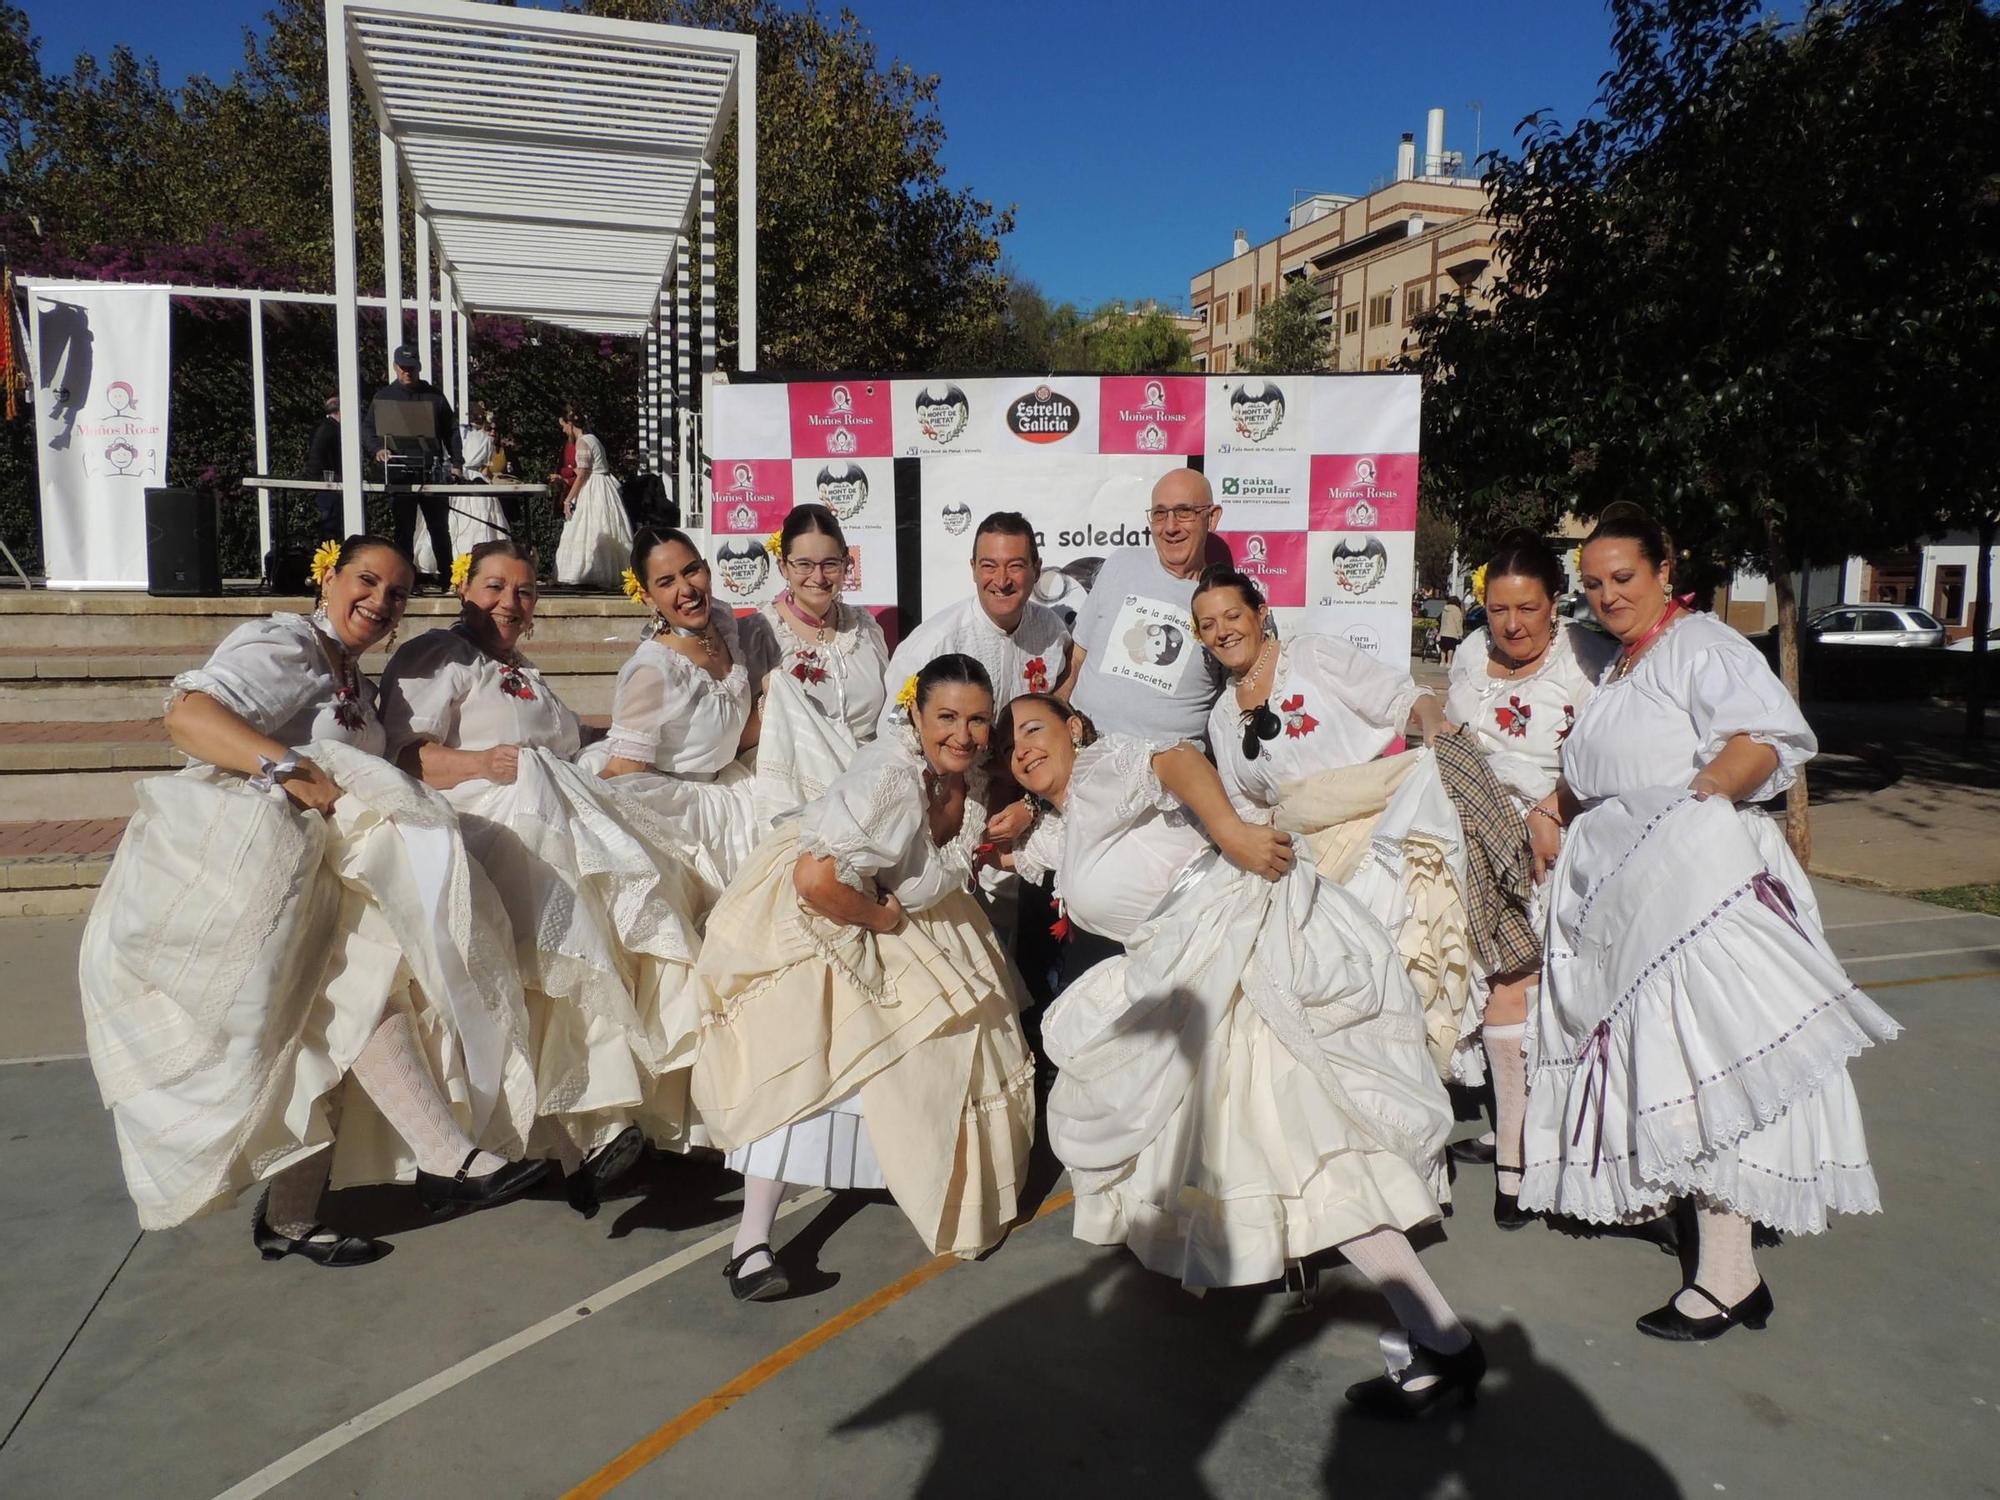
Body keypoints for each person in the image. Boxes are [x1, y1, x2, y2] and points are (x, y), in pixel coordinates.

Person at [999, 695, 1484, 1414]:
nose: (1023, 750)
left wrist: (1229, 831)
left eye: (1033, 729)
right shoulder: (1059, 829)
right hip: (1187, 967)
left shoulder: (1108, 765)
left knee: (1303, 1140)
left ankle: (1444, 1342)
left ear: (1073, 727)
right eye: (1008, 747)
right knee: (1275, 1145)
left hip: (1240, 940)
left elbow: (1176, 758)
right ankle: (1436, 1336)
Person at [78, 535, 546, 1265]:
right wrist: (288, 764)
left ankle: (295, 1216)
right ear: (326, 577)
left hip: (316, 869)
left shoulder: (354, 681)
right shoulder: (286, 643)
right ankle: (444, 1159)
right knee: (347, 1000)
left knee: (328, 1023)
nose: (379, 602)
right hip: (245, 862)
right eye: (366, 581)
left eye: (396, 594)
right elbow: (188, 716)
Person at [1522, 502, 1898, 1339]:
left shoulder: (1703, 646)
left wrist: (1700, 801)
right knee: (1670, 1073)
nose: (1608, 595)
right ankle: (1720, 1260)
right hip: (1632, 897)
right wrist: (1555, 810)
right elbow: (1604, 770)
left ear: (1666, 570)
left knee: (1710, 1077)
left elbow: (1761, 740)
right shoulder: (1623, 666)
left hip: (1700, 894)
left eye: (1623, 578)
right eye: (1593, 583)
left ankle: (1730, 1277)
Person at [687, 655, 1036, 1299]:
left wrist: (1023, 813)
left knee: (935, 1047)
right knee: (808, 1053)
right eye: (947, 718)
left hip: (900, 905)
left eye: (978, 720)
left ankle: (910, 1175)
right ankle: (750, 1245)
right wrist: (880, 920)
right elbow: (816, 880)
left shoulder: (970, 770)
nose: (963, 734)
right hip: (836, 907)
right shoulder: (888, 779)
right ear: (915, 716)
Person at [379, 539, 706, 1209]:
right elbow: (403, 756)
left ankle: (614, 1116)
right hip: (484, 820)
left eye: (524, 591)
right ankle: (593, 1126)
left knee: (645, 875)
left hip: (544, 811)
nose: (509, 601)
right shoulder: (437, 658)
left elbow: (565, 740)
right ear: (466, 589)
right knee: (565, 906)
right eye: (495, 587)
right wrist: (482, 765)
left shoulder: (520, 667)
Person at [1192, 565, 1474, 1079]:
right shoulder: (1220, 717)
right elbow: (1249, 811)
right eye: (1207, 625)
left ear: (1260, 613)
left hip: (1378, 838)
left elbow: (1400, 697)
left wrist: (1433, 725)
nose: (1223, 631)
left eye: (1233, 615)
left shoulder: (1311, 657)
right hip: (1309, 867)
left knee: (1399, 980)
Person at [1441, 531, 1618, 1226]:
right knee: (1498, 991)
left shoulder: (1589, 659)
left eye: (1528, 608)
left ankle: (1547, 1150)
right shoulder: (1465, 658)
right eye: (1498, 609)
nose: (1512, 625)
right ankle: (1514, 1148)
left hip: (1558, 849)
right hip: (1472, 847)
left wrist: (1555, 807)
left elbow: (1615, 757)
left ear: (1555, 604)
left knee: (1555, 998)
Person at [582, 526, 762, 913]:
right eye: (667, 582)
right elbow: (624, 769)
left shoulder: (723, 624)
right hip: (680, 808)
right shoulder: (653, 670)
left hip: (733, 788)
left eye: (691, 570)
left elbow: (725, 730)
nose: (687, 589)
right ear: (647, 596)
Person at [739, 504, 891, 822]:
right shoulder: (759, 633)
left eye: (830, 565)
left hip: (865, 779)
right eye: (804, 565)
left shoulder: (865, 629)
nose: (818, 577)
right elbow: (735, 740)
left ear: (847, 564)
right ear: (783, 566)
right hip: (793, 783)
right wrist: (771, 703)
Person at [360, 346, 461, 586]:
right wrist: (377, 449)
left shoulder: (434, 396)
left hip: (431, 471)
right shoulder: (383, 397)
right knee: (403, 530)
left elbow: (451, 430)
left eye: (412, 369)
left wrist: (456, 463)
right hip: (399, 472)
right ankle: (405, 581)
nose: (408, 373)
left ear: (420, 367)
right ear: (395, 367)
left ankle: (448, 579)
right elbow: (367, 429)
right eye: (403, 369)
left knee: (439, 528)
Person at [553, 410, 635, 590]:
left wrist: (569, 499)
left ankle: (588, 573)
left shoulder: (583, 442)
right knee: (605, 525)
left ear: (571, 424)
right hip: (604, 486)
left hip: (593, 487)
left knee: (590, 527)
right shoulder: (594, 439)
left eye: (564, 426)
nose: (564, 430)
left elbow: (582, 474)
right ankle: (607, 571)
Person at [303, 395, 343, 544]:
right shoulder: (330, 430)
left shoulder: (322, 428)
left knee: (329, 528)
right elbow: (318, 459)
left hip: (324, 485)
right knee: (330, 530)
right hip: (328, 487)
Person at [1438, 595, 1467, 665]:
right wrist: (1460, 633)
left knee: (1443, 648)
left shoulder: (1445, 609)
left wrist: (1440, 632)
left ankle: (1442, 661)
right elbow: (1458, 622)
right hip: (1452, 632)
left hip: (1443, 632)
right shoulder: (1457, 610)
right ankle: (1449, 662)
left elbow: (1442, 621)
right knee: (1451, 648)